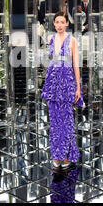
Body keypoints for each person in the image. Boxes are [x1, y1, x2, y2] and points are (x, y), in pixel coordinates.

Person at [41, 11, 83, 169]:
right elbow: (50, 60)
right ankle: (56, 154)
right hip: (52, 83)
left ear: (67, 24)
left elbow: (76, 65)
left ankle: (67, 154)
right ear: (54, 24)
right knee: (54, 122)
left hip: (67, 82)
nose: (59, 25)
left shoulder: (72, 40)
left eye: (62, 22)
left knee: (66, 121)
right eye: (56, 22)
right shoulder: (50, 38)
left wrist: (78, 87)